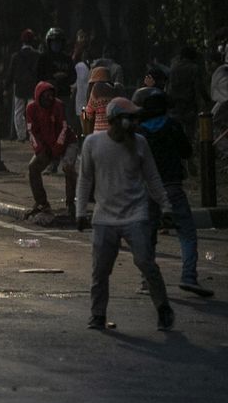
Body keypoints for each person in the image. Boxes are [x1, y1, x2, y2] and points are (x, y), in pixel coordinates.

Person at [76, 98, 174, 331]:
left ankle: (163, 308)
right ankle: (97, 314)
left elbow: (152, 178)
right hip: (104, 217)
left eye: (134, 119)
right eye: (127, 119)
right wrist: (80, 211)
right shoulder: (93, 143)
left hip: (135, 213)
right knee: (100, 270)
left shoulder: (140, 144)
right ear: (114, 121)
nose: (132, 124)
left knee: (145, 262)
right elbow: (85, 179)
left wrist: (166, 206)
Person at [133, 88, 213, 298]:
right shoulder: (172, 125)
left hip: (148, 189)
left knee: (148, 236)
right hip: (172, 187)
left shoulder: (140, 132)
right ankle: (188, 276)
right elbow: (186, 151)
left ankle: (146, 281)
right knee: (186, 233)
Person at [26, 81, 78, 217]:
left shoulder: (58, 105)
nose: (49, 99)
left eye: (51, 96)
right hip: (48, 146)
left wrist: (56, 149)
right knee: (33, 168)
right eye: (46, 96)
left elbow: (64, 129)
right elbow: (32, 132)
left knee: (68, 167)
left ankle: (70, 203)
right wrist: (40, 150)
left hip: (67, 143)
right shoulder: (31, 109)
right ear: (39, 97)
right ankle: (42, 202)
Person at [8, 29, 40, 141]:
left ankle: (21, 135)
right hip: (33, 87)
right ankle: (33, 135)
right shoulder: (37, 55)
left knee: (18, 113)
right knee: (32, 112)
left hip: (20, 87)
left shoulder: (16, 56)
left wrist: (6, 86)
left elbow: (11, 73)